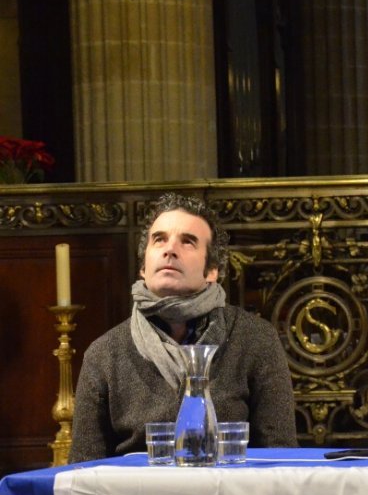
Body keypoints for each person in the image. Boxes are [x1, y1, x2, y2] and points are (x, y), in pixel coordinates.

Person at [70, 193, 298, 462]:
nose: (170, 249)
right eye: (159, 239)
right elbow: (82, 471)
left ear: (212, 270)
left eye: (187, 242)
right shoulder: (104, 353)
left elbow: (280, 457)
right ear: (143, 266)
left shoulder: (255, 338)